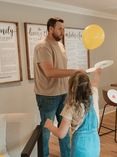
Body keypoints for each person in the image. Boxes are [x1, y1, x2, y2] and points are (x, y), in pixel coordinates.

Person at [33, 17, 81, 157]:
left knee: (64, 129)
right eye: (60, 29)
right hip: (47, 96)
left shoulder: (60, 46)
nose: (63, 32)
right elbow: (49, 72)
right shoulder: (42, 47)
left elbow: (61, 70)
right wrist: (74, 71)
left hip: (63, 94)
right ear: (50, 29)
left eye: (63, 29)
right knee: (46, 131)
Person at [44, 69, 101, 157]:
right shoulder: (93, 94)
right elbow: (95, 83)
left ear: (71, 88)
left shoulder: (71, 106)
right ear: (88, 85)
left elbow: (61, 134)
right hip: (95, 145)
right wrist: (98, 72)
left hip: (80, 148)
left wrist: (49, 125)